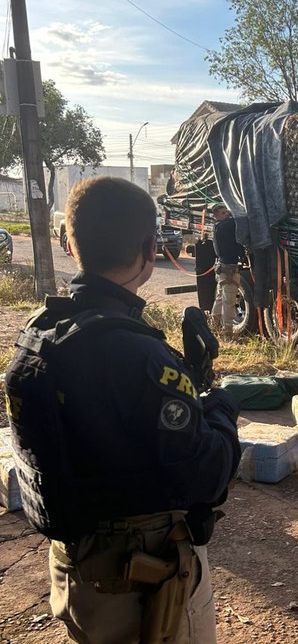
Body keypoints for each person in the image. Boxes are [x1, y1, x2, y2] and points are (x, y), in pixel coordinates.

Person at [4, 176, 241, 643]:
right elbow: (207, 474)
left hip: (76, 569)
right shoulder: (133, 353)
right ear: (151, 248)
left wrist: (184, 383)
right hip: (143, 581)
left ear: (68, 243)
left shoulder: (41, 332)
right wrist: (218, 407)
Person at [210, 203, 242, 340]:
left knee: (219, 299)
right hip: (228, 269)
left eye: (226, 212)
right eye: (223, 213)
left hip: (223, 267)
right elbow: (237, 220)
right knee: (229, 301)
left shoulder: (218, 227)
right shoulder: (225, 226)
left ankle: (213, 327)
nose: (227, 214)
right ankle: (227, 333)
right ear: (216, 216)